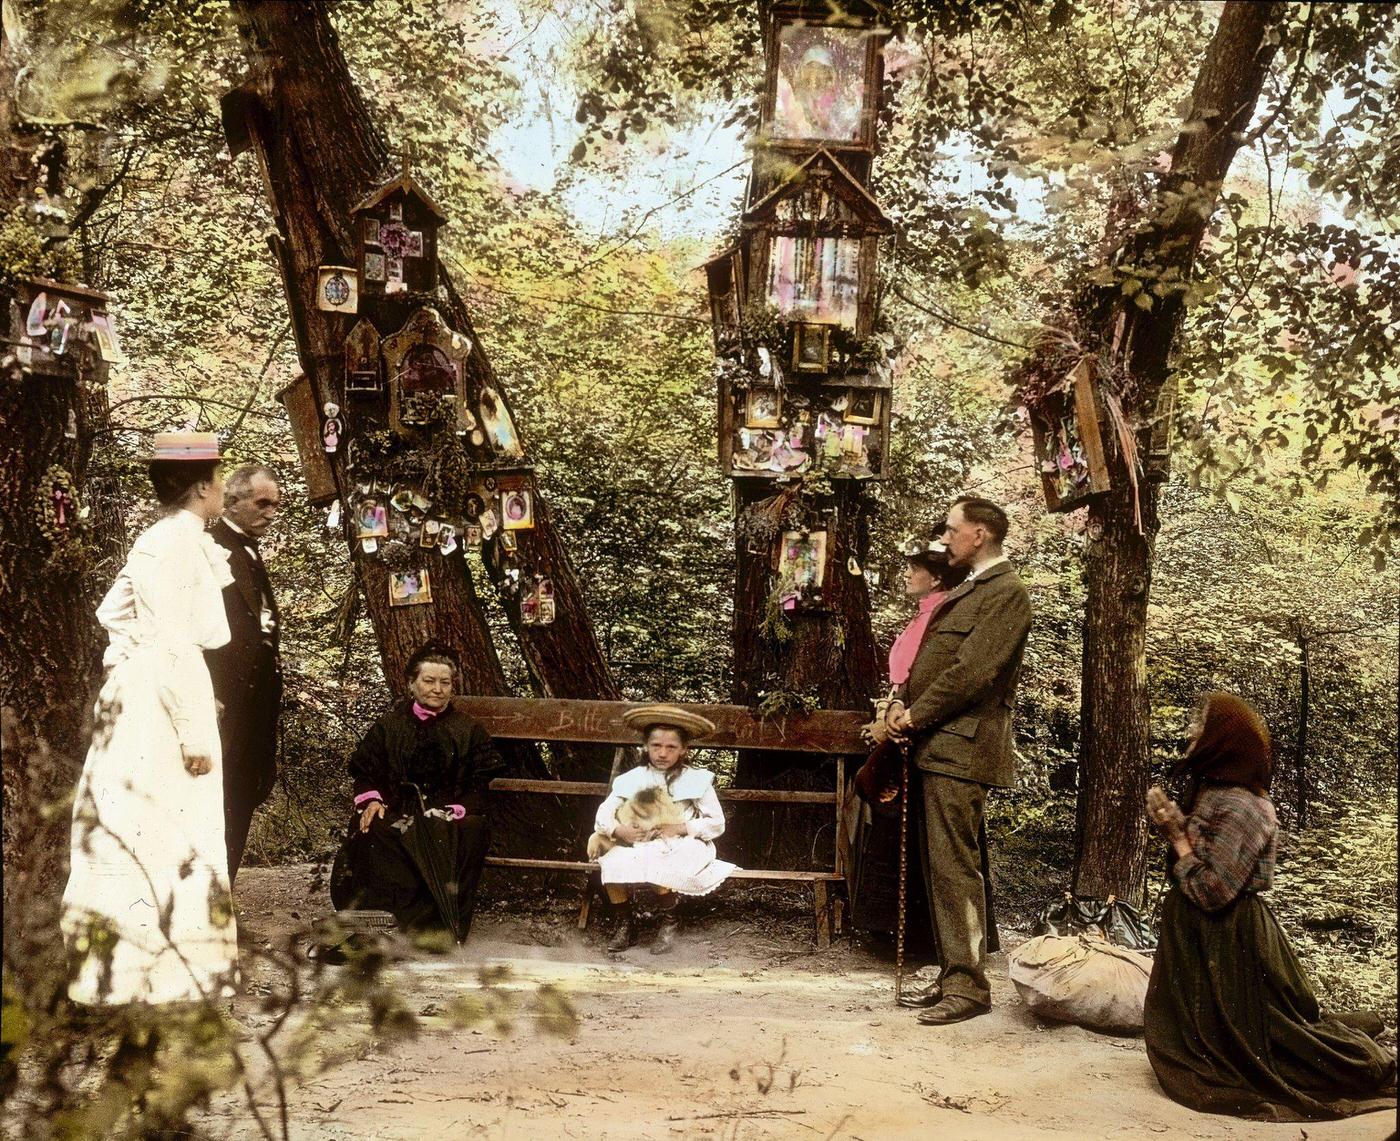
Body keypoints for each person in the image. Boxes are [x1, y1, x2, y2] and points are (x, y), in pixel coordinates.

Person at [1144, 693, 1396, 1121]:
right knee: (1211, 1039)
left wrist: (1176, 835)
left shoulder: (1247, 807)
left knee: (1272, 1043)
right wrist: (1177, 820)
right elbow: (1207, 853)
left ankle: (1366, 1060)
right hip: (1200, 939)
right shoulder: (1216, 791)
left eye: (1200, 726)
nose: (1190, 733)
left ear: (1224, 740)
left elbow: (1213, 891)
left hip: (1231, 939)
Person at [61, 431, 239, 1005]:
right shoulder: (181, 543)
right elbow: (174, 641)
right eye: (219, 483)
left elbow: (114, 610)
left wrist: (130, 661)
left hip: (141, 690)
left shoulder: (157, 537)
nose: (222, 492)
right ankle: (165, 978)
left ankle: (125, 973)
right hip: (163, 698)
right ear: (203, 488)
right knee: (170, 825)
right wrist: (190, 726)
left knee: (134, 819)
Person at [885, 496, 1032, 1025]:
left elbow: (973, 673)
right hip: (939, 744)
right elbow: (936, 663)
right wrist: (904, 703)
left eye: (952, 530)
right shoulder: (970, 590)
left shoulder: (1007, 594)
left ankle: (968, 988)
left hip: (962, 746)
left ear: (980, 535)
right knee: (941, 866)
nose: (944, 539)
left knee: (955, 867)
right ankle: (956, 977)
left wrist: (915, 715)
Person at [330, 643, 505, 940]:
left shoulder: (468, 730)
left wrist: (457, 809)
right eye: (429, 681)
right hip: (398, 811)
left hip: (448, 814)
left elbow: (479, 783)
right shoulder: (389, 727)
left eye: (445, 683)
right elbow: (365, 772)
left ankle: (436, 929)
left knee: (471, 830)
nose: (437, 689)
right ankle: (383, 923)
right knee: (374, 827)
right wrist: (372, 799)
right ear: (411, 683)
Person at [851, 538, 967, 941]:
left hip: (921, 734)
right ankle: (891, 930)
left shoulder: (942, 616)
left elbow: (932, 681)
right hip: (901, 722)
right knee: (893, 820)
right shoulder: (923, 614)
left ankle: (921, 938)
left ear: (935, 577)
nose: (905, 574)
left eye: (913, 568)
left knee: (916, 829)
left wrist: (894, 722)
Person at [594, 705, 738, 954]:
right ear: (645, 747)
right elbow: (604, 813)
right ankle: (625, 924)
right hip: (641, 841)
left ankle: (669, 920)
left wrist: (681, 827)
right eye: (655, 746)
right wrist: (619, 830)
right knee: (612, 859)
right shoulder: (633, 778)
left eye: (671, 747)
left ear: (683, 750)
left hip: (684, 843)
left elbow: (717, 822)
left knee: (659, 859)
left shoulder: (695, 779)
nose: (662, 753)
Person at [206, 464, 283, 883]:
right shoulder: (208, 547)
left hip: (257, 703)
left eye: (275, 504)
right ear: (232, 502)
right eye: (262, 503)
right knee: (215, 800)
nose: (271, 512)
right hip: (223, 702)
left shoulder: (251, 551)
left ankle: (224, 898)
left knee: (243, 794)